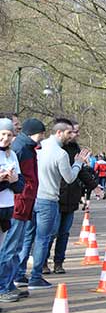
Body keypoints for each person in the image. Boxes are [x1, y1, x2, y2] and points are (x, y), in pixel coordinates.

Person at [18, 119, 89, 290]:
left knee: (28, 237)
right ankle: (36, 277)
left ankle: (19, 274)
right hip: (48, 199)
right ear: (59, 132)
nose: (72, 136)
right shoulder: (60, 154)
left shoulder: (37, 147)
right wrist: (78, 163)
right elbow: (70, 178)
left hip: (31, 197)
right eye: (69, 133)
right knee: (43, 239)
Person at [46, 121, 99, 274]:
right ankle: (43, 261)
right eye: (74, 132)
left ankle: (58, 262)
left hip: (71, 196)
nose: (76, 135)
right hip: (55, 195)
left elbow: (81, 171)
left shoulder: (75, 148)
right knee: (52, 232)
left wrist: (94, 185)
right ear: (63, 132)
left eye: (76, 132)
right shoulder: (54, 148)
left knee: (64, 232)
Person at [0, 118, 26, 303]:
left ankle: (3, 288)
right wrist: (3, 181)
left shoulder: (12, 155)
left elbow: (20, 186)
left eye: (9, 135)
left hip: (7, 209)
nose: (6, 138)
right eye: (2, 134)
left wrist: (14, 181)